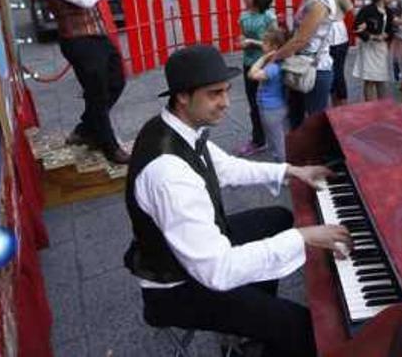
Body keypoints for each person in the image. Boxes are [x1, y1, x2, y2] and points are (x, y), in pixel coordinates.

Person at [126, 45, 351, 357]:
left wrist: (292, 171)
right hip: (177, 288)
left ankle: (250, 326)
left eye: (227, 91)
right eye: (214, 94)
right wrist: (303, 238)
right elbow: (217, 271)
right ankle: (260, 328)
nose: (226, 103)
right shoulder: (169, 174)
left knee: (278, 218)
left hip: (190, 255)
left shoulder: (173, 125)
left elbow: (227, 167)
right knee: (300, 327)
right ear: (182, 96)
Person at [35, 0, 130, 164]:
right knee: (97, 93)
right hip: (79, 41)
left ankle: (85, 129)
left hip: (95, 37)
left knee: (117, 82)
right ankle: (108, 145)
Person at [274, 0, 337, 128]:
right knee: (297, 120)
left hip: (315, 71)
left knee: (313, 125)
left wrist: (274, 58)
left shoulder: (320, 0)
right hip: (301, 66)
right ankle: (299, 155)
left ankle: (315, 156)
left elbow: (301, 40)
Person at [237, 0, 277, 157]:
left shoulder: (269, 17)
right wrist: (241, 42)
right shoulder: (243, 16)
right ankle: (258, 139)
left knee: (268, 102)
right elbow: (241, 37)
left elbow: (275, 44)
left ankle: (273, 136)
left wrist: (251, 42)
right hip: (248, 64)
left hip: (265, 66)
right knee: (253, 104)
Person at [352, 0, 397, 101]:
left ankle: (381, 107)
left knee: (381, 79)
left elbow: (391, 29)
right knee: (369, 79)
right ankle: (370, 107)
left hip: (381, 48)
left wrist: (387, 35)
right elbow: (356, 27)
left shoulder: (389, 12)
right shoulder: (367, 10)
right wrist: (372, 36)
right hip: (368, 47)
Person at [248, 30, 289, 162]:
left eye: (265, 43)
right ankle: (277, 163)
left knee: (277, 140)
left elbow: (252, 74)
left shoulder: (273, 67)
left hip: (272, 108)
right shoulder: (276, 64)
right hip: (270, 106)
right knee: (273, 138)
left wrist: (263, 58)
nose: (262, 45)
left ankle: (283, 168)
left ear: (274, 48)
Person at [318, 0, 353, 107]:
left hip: (336, 34)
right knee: (327, 71)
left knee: (337, 72)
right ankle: (333, 105)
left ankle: (342, 106)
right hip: (323, 33)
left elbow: (350, 9)